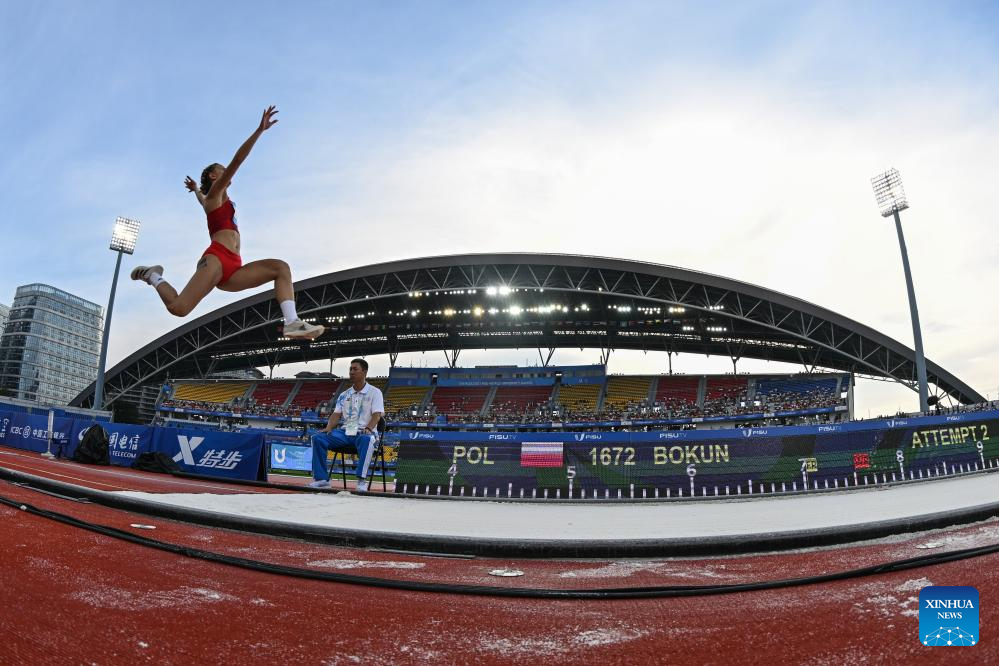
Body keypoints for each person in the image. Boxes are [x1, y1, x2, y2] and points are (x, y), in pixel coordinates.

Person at [130, 106, 324, 340]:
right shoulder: (214, 196)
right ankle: (153, 275)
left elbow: (201, 198)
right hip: (217, 258)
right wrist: (259, 131)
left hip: (234, 266)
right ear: (214, 176)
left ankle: (291, 322)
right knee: (179, 308)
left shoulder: (214, 199)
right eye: (222, 171)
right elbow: (239, 159)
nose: (227, 173)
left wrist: (194, 191)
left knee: (281, 268)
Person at [308, 358, 384, 492]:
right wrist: (329, 427)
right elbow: (336, 415)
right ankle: (321, 480)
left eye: (355, 369)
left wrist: (368, 429)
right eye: (350, 369)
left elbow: (377, 415)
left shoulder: (375, 392)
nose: (351, 372)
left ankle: (361, 481)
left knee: (367, 439)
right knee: (317, 438)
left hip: (364, 433)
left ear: (364, 372)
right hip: (345, 433)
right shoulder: (344, 394)